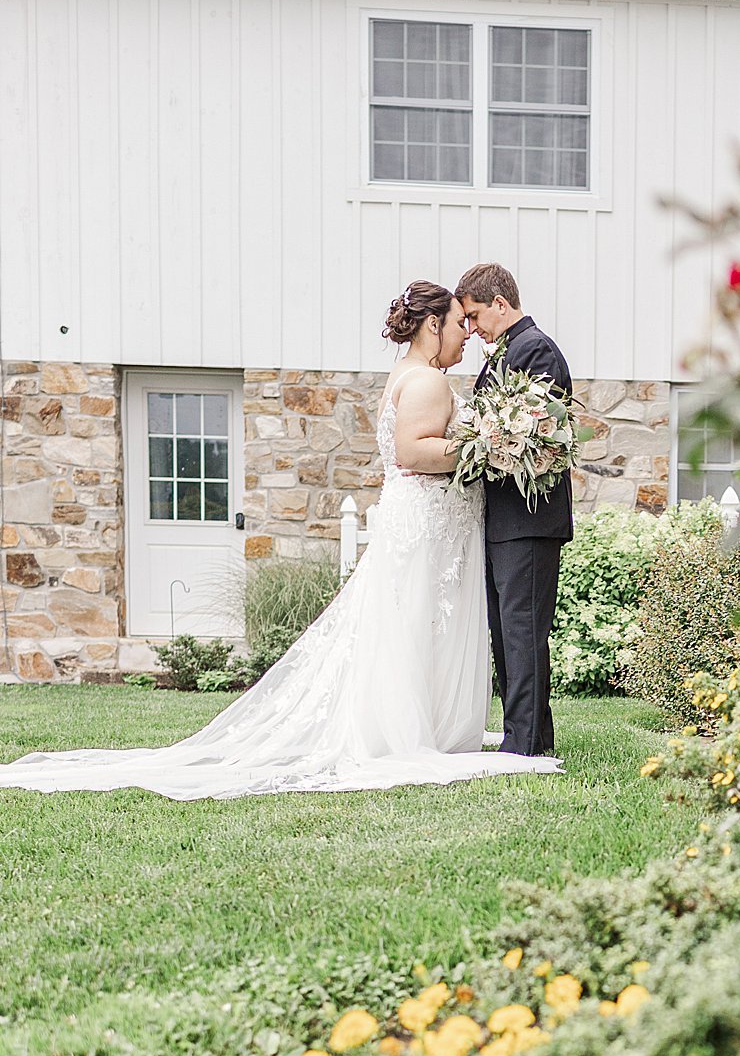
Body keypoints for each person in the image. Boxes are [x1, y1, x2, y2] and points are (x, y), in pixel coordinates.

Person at [0, 281, 558, 799]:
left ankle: (421, 724)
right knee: (413, 622)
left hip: (424, 522)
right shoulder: (429, 380)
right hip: (426, 522)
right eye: (460, 323)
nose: (467, 334)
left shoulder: (405, 376)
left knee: (410, 622)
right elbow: (414, 453)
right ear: (432, 325)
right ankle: (406, 730)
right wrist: (487, 443)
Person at [455, 263, 573, 758]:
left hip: (529, 520)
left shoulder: (536, 349)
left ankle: (523, 745)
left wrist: (486, 439)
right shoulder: (507, 350)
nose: (472, 328)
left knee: (522, 632)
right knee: (510, 634)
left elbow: (539, 433)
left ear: (501, 304)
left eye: (476, 315)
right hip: (506, 521)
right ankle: (531, 737)